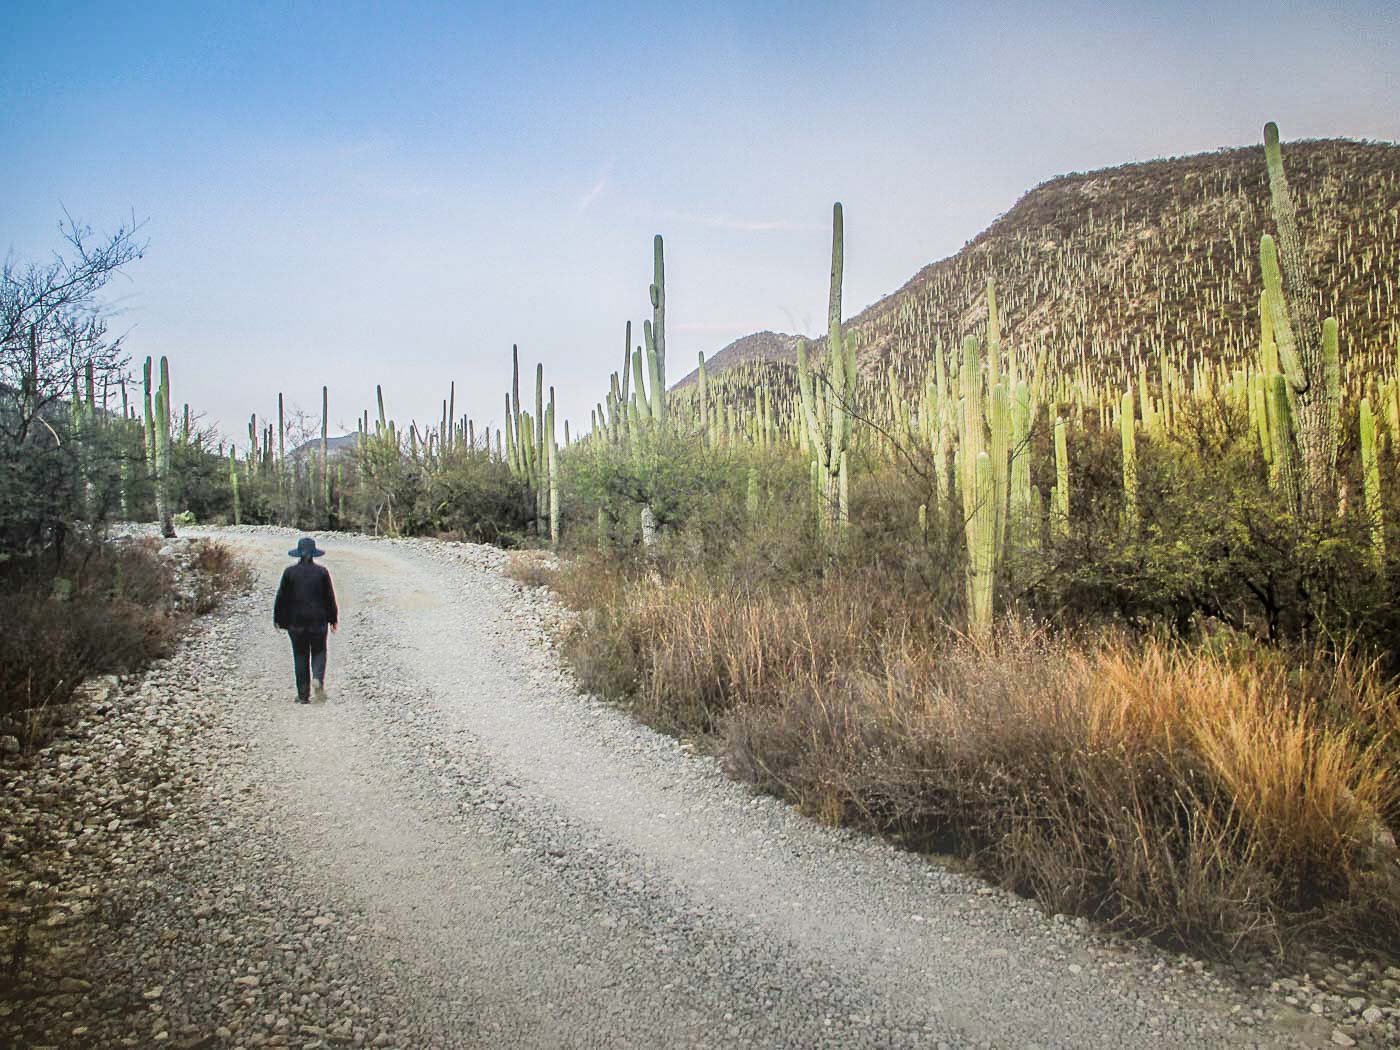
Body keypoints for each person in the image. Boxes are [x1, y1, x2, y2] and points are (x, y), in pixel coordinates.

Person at [273, 537, 339, 704]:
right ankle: (317, 678)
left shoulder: (289, 573)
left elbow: (281, 598)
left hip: (296, 622)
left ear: (298, 554)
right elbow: (329, 597)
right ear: (314, 554)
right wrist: (333, 618)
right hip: (318, 620)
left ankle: (303, 695)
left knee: (300, 655)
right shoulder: (322, 572)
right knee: (319, 651)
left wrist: (278, 619)